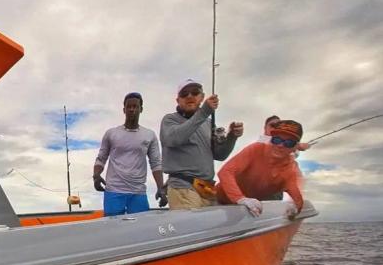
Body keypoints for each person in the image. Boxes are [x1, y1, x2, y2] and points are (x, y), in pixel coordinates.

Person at [160, 79, 244, 209]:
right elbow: (173, 139)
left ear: (202, 97)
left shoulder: (208, 123)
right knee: (190, 227)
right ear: (178, 100)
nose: (189, 96)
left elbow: (220, 155)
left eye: (194, 92)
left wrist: (232, 136)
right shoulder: (170, 120)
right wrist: (204, 112)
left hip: (207, 189)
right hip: (183, 187)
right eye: (184, 94)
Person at [93, 92, 166, 216]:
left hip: (138, 192)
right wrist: (96, 175)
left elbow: (156, 163)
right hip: (114, 191)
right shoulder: (111, 133)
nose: (132, 109)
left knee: (139, 230)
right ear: (124, 109)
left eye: (135, 106)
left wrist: (161, 188)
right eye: (129, 107)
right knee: (113, 229)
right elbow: (101, 158)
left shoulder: (149, 135)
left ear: (141, 109)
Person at [216, 120, 305, 217]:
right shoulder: (256, 149)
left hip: (246, 211)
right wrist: (240, 198)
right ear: (270, 139)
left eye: (288, 143)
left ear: (296, 147)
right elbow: (225, 172)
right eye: (276, 140)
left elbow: (297, 199)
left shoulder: (290, 170)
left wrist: (296, 207)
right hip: (218, 200)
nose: (280, 145)